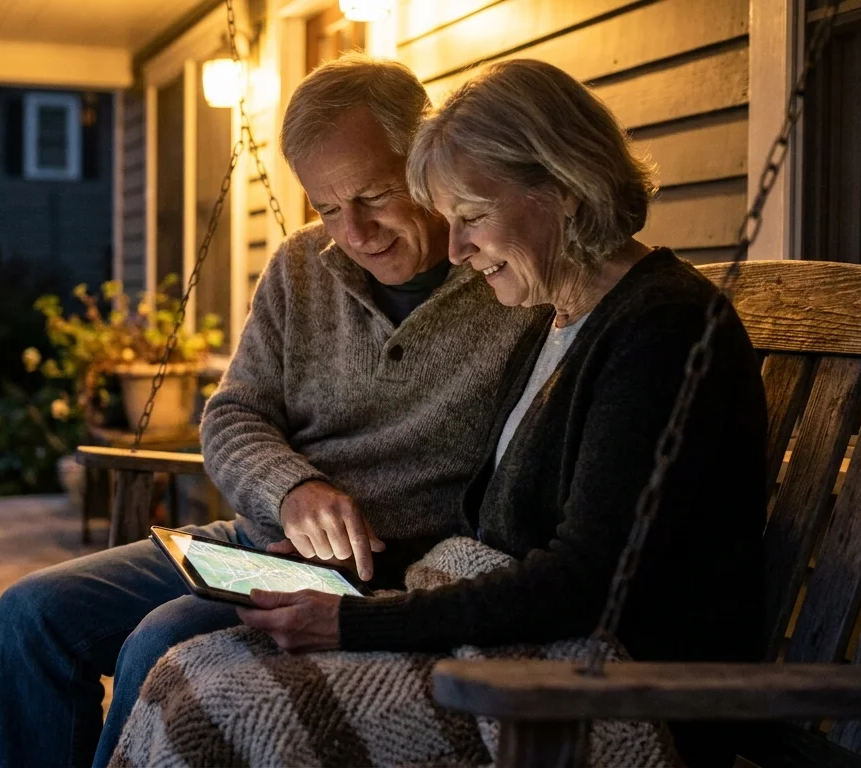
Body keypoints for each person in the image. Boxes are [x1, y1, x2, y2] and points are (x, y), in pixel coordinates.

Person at [0, 54, 543, 768]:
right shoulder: (298, 267)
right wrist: (292, 491)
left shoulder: (507, 282)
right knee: (31, 614)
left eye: (374, 195)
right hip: (256, 544)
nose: (356, 231)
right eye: (326, 208)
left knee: (158, 641)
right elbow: (233, 414)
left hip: (382, 577)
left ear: (428, 159)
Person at [234, 59, 768, 767]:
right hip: (531, 649)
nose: (456, 249)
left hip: (615, 689)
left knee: (247, 715)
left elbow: (584, 580)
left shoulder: (661, 328)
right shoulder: (560, 322)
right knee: (203, 675)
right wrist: (353, 577)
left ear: (565, 190)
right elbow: (500, 539)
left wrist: (359, 621)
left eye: (473, 218)